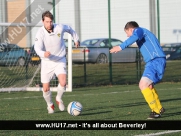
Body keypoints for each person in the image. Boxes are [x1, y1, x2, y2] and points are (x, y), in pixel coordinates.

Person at [110, 21, 166, 119]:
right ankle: (159, 108)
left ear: (131, 29)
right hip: (154, 62)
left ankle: (156, 111)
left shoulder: (139, 30)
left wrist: (120, 46)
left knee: (143, 84)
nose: (127, 36)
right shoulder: (143, 33)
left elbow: (134, 37)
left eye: (126, 33)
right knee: (148, 86)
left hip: (155, 61)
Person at [34, 11, 79, 114]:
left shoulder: (60, 27)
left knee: (63, 82)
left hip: (60, 60)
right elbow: (37, 48)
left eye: (50, 22)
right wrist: (43, 53)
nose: (49, 24)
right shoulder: (40, 33)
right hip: (46, 62)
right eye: (47, 22)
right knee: (45, 89)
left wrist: (76, 39)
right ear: (42, 21)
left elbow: (70, 30)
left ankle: (59, 98)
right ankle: (50, 104)